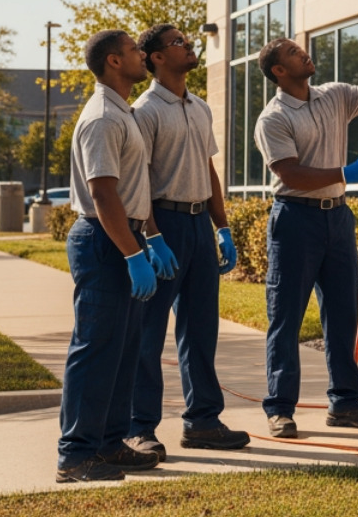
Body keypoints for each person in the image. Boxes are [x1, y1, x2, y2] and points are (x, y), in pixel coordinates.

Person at [253, 36, 358, 437]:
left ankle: (346, 403)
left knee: (342, 314)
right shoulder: (273, 118)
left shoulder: (334, 95)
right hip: (294, 220)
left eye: (298, 47)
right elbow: (290, 173)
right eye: (291, 52)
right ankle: (280, 408)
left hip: (337, 218)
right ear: (279, 72)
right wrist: (344, 174)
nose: (303, 51)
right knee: (286, 318)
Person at [124, 25, 251, 459]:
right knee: (148, 333)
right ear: (156, 57)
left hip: (199, 227)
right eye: (178, 42)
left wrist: (222, 226)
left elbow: (209, 170)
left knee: (200, 330)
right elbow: (138, 181)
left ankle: (203, 421)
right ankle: (138, 427)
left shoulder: (199, 107)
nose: (189, 45)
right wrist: (153, 238)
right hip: (165, 228)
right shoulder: (145, 111)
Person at [56, 30, 175, 482]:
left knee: (123, 350)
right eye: (132, 52)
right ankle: (75, 455)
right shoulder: (103, 117)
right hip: (104, 243)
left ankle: (108, 443)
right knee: (95, 350)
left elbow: (129, 189)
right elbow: (103, 193)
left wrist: (149, 238)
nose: (141, 55)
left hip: (124, 239)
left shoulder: (122, 111)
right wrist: (131, 254)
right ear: (112, 62)